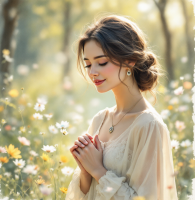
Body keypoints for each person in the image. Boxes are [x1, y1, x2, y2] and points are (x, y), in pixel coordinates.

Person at [65, 14, 178, 200]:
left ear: (130, 60)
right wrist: (85, 173)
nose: (93, 72)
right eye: (88, 65)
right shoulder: (100, 120)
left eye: (102, 62)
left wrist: (97, 170)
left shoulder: (149, 126)